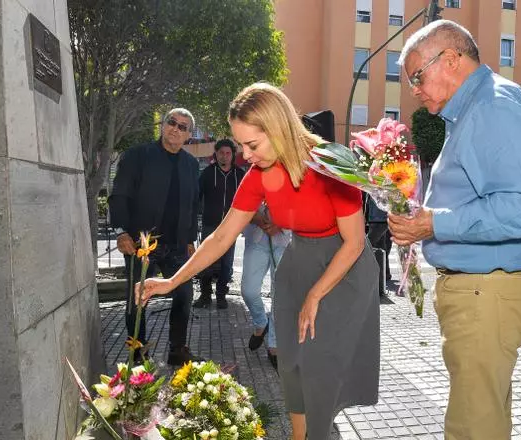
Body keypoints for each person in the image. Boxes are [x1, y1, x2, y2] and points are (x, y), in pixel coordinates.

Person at [136, 83, 380, 440]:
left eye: (252, 145)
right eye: (241, 146)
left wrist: (315, 296)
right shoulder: (258, 175)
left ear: (278, 128)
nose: (245, 155)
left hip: (344, 267)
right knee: (293, 364)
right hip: (298, 264)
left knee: (321, 369)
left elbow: (356, 242)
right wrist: (171, 281)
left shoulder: (331, 162)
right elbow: (221, 237)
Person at [387, 21, 521, 439]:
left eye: (417, 76)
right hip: (489, 289)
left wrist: (434, 222)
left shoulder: (491, 107)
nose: (413, 88)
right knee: (485, 416)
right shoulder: (480, 105)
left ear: (450, 60)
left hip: (489, 291)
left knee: (472, 427)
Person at [108, 108, 204, 367]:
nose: (175, 128)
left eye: (183, 127)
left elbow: (193, 205)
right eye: (172, 122)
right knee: (136, 300)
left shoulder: (191, 164)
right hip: (141, 244)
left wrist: (189, 240)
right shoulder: (137, 156)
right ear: (163, 125)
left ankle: (177, 350)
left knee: (184, 295)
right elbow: (120, 195)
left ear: (188, 136)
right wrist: (121, 232)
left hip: (176, 246)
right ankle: (138, 354)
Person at [193, 138, 246, 309]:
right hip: (210, 225)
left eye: (228, 153)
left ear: (233, 155)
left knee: (226, 263)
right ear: (215, 154)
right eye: (221, 153)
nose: (224, 156)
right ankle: (205, 295)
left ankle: (222, 295)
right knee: (205, 261)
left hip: (231, 226)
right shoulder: (207, 173)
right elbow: (196, 197)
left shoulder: (240, 174)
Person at [241, 203, 290, 370]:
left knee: (280, 295)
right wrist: (257, 218)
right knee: (249, 290)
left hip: (286, 238)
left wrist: (283, 222)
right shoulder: (253, 175)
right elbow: (243, 200)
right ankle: (261, 322)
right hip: (257, 235)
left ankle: (274, 344)